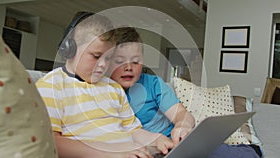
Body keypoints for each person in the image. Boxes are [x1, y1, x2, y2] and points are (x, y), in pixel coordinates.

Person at [108, 27, 262, 158]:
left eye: (135, 61)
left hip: (177, 145)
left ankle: (249, 151)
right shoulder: (100, 92)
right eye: (120, 61)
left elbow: (181, 114)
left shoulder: (152, 84)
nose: (128, 67)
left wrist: (183, 125)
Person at [36, 12, 173, 158]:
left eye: (108, 57)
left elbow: (134, 131)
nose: (103, 65)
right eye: (96, 56)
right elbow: (52, 142)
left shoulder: (113, 88)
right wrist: (110, 153)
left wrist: (157, 139)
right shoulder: (50, 86)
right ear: (70, 49)